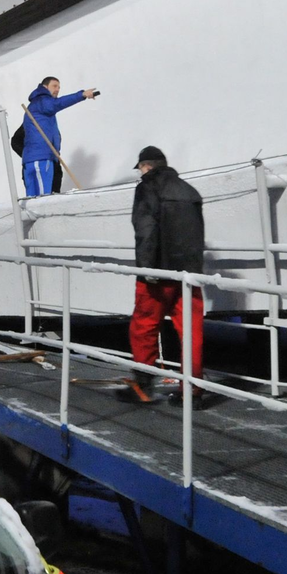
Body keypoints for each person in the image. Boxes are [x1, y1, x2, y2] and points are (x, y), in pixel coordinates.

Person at [117, 146, 206, 408]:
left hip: (158, 272)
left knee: (144, 327)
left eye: (141, 169)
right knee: (191, 332)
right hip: (189, 274)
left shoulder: (147, 188)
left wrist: (147, 269)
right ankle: (192, 391)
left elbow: (145, 230)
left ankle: (143, 387)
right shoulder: (190, 191)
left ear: (146, 166)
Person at [21, 77, 97, 197]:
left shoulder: (36, 105)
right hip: (42, 158)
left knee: (32, 200)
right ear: (45, 87)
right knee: (42, 199)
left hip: (33, 158)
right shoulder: (43, 100)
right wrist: (82, 95)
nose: (57, 89)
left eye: (59, 87)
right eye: (54, 86)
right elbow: (58, 103)